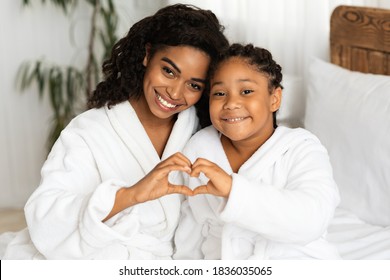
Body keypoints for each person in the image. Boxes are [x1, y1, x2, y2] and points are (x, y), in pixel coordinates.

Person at [0, 3, 228, 259]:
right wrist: (130, 195)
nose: (175, 93)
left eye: (194, 85)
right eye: (168, 71)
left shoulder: (200, 134)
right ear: (147, 55)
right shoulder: (89, 131)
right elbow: (46, 217)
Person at [172, 44, 341, 259]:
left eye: (246, 91)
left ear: (274, 99)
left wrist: (234, 190)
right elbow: (191, 230)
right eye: (220, 93)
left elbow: (312, 218)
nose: (231, 103)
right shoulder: (200, 149)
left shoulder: (302, 148)